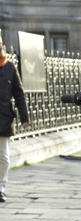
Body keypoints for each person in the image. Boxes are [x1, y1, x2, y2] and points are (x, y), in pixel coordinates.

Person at [0, 37, 30, 203]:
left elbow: (19, 94)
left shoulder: (10, 67)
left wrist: (25, 118)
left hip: (4, 118)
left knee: (3, 156)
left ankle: (0, 187)